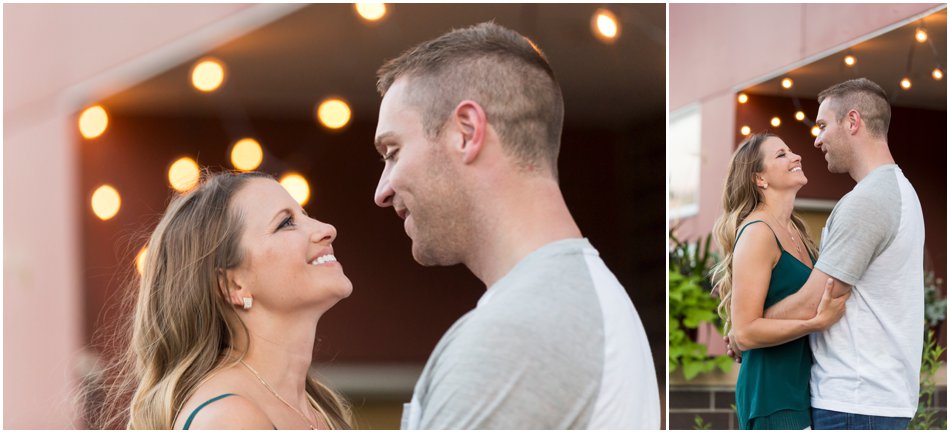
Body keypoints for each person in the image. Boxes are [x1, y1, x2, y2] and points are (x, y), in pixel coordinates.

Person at [371, 22, 660, 429]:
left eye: (393, 151)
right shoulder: (583, 297)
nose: (382, 190)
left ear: (466, 133)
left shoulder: (517, 333)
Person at [728, 78, 926, 430]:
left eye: (822, 125)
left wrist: (744, 332)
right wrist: (747, 329)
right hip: (852, 397)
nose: (815, 140)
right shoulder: (899, 191)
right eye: (782, 153)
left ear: (852, 122)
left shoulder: (867, 201)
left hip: (855, 399)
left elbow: (815, 300)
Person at [94, 171, 353, 429]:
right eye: (286, 223)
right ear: (233, 285)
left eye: (304, 215)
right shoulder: (227, 418)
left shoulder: (319, 408)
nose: (327, 229)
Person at [711, 132, 849, 430]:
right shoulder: (758, 232)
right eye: (781, 154)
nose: (796, 156)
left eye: (790, 151)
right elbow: (746, 332)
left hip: (801, 389)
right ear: (759, 178)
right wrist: (814, 324)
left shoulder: (796, 231)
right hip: (773, 396)